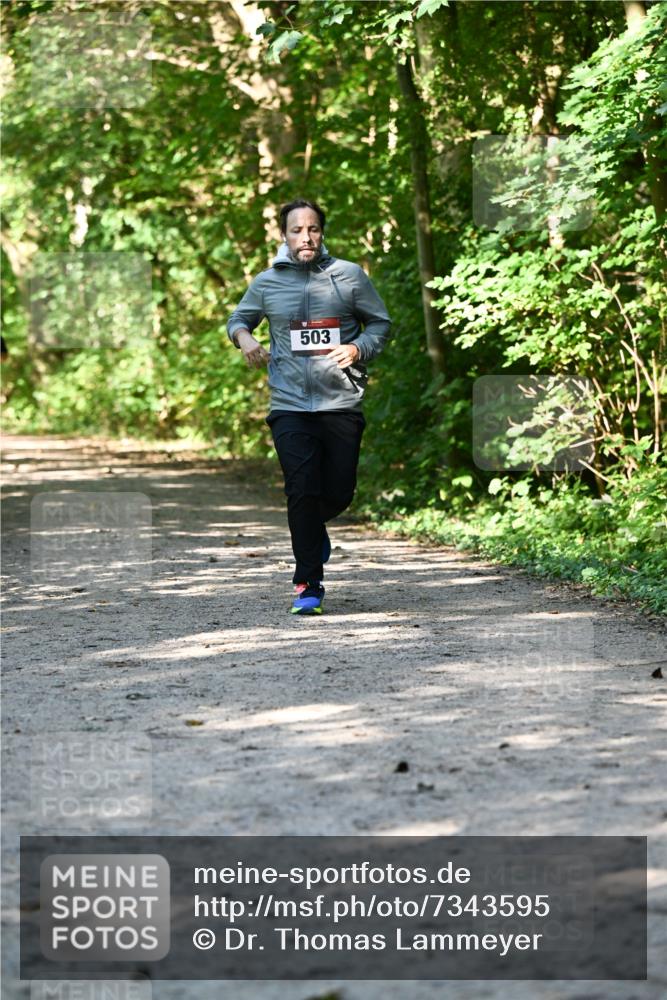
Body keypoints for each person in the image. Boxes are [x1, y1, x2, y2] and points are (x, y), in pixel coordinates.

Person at [227, 199, 391, 615]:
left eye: (313, 229)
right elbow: (238, 319)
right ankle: (308, 583)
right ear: (284, 235)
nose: (306, 237)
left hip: (341, 401)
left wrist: (358, 348)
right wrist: (246, 339)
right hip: (289, 404)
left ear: (322, 233)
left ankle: (311, 530)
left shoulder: (349, 276)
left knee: (339, 491)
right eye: (297, 230)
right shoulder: (267, 283)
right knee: (300, 490)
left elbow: (380, 323)